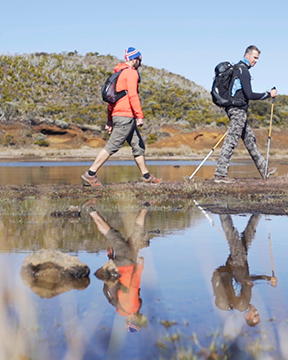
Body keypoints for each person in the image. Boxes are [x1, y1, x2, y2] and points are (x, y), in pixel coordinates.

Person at [81, 47, 162, 186]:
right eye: (140, 60)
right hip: (126, 115)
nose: (141, 63)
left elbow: (112, 100)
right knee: (112, 146)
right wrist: (139, 116)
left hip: (120, 115)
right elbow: (132, 95)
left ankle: (146, 176)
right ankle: (90, 174)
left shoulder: (119, 74)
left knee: (138, 145)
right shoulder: (131, 74)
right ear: (134, 59)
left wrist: (110, 120)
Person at [214, 45, 278, 184]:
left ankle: (264, 169)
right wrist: (268, 94)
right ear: (247, 55)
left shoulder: (237, 69)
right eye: (254, 57)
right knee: (231, 140)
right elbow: (249, 94)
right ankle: (220, 174)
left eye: (257, 58)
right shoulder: (243, 71)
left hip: (234, 109)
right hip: (238, 110)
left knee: (249, 139)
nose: (256, 61)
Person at [87, 200, 150, 332]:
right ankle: (144, 208)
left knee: (113, 235)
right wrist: (111, 259)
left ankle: (91, 211)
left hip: (128, 263)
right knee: (135, 235)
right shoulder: (120, 309)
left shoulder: (132, 308)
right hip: (121, 266)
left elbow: (133, 287)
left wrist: (140, 267)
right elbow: (116, 286)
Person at [211, 214, 277, 327]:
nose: (256, 311)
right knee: (248, 236)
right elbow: (246, 281)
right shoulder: (239, 305)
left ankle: (222, 210)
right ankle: (258, 211)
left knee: (232, 236)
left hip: (238, 263)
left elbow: (248, 281)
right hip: (234, 265)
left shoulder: (243, 304)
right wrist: (266, 278)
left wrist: (267, 278)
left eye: (255, 315)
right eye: (258, 314)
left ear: (247, 317)